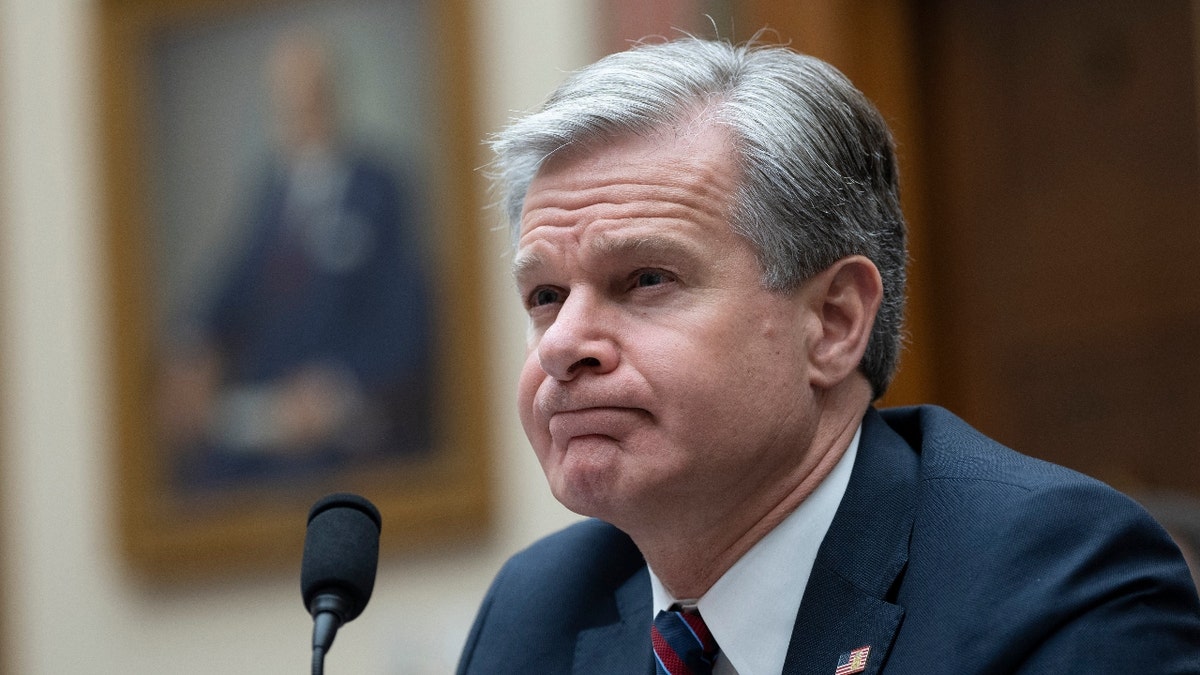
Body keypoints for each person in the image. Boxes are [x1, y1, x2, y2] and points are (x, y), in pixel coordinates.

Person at [456, 36, 1200, 674]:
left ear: (835, 321)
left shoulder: (1053, 579)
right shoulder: (538, 614)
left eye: (647, 279)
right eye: (545, 295)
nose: (562, 346)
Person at [159, 29, 434, 488]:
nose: (298, 114)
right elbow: (230, 288)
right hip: (268, 411)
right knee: (201, 479)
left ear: (331, 97)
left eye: (309, 98)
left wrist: (340, 390)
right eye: (286, 102)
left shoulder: (379, 186)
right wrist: (190, 346)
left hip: (344, 416)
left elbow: (405, 315)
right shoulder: (272, 192)